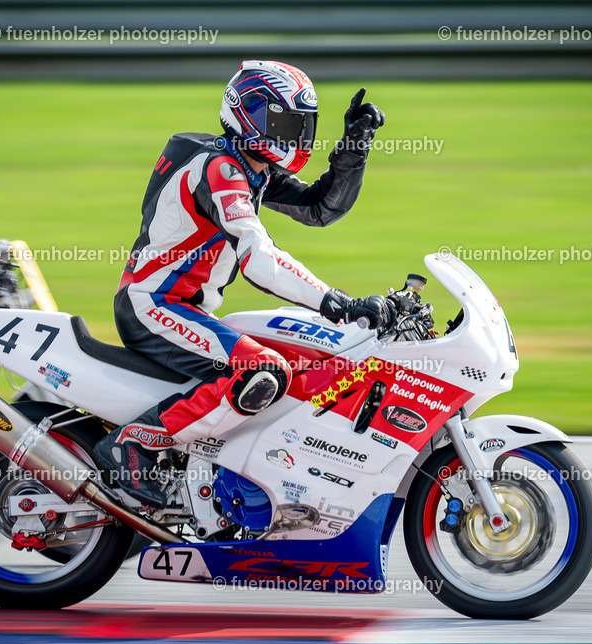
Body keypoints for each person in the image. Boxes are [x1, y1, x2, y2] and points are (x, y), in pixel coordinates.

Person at [94, 60, 393, 507]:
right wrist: (336, 302)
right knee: (263, 370)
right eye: (286, 122)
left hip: (188, 308)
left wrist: (352, 151)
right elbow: (259, 258)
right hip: (154, 304)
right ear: (250, 113)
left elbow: (318, 208)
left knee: (300, 360)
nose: (296, 136)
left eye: (302, 125)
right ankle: (131, 445)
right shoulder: (220, 170)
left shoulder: (248, 167)